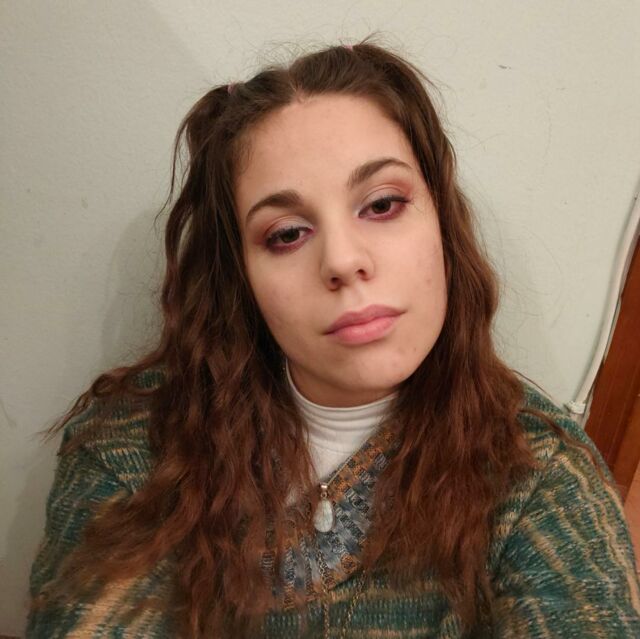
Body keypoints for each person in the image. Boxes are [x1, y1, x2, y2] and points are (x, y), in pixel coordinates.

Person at [26, 37, 640, 639]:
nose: (343, 261)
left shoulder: (539, 478)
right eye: (287, 234)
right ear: (240, 276)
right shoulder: (135, 450)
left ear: (441, 223)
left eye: (382, 204)